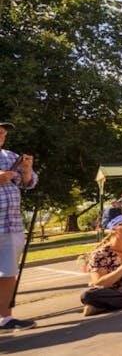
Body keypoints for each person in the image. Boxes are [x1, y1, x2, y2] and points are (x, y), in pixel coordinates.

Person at [0, 121, 38, 331]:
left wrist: (26, 170)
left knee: (8, 272)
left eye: (2, 133)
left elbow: (29, 184)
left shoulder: (10, 157)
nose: (1, 136)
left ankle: (5, 318)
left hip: (11, 224)